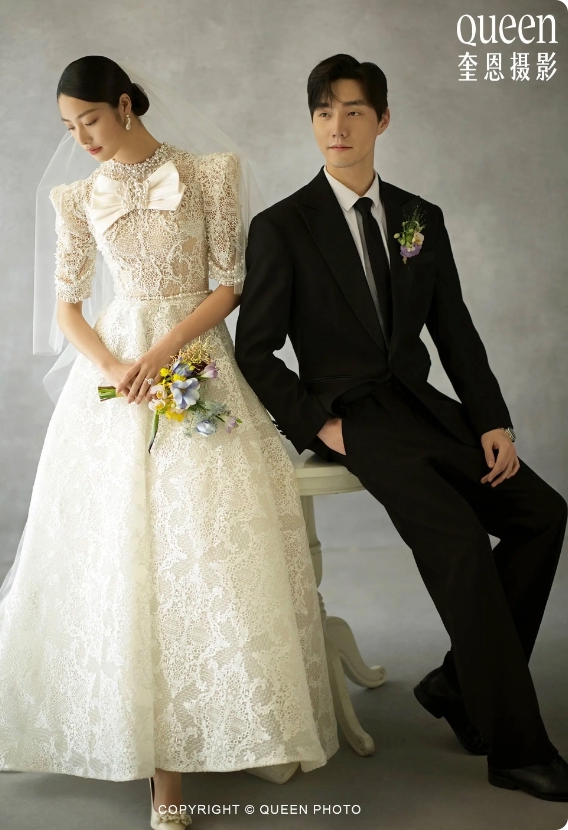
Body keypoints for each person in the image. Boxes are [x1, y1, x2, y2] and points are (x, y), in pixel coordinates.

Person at [0, 56, 339, 830]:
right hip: (116, 377)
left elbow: (229, 285)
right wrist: (113, 365)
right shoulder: (75, 197)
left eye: (90, 120)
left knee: (206, 548)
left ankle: (226, 727)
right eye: (69, 127)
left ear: (124, 105)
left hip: (195, 362)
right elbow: (67, 307)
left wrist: (163, 352)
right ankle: (145, 752)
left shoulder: (210, 172)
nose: (80, 138)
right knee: (118, 552)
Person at [235, 53, 568, 801]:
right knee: (461, 547)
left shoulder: (418, 218)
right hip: (356, 419)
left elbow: (455, 329)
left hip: (424, 406)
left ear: (382, 120)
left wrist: (492, 420)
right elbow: (254, 351)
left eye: (353, 111)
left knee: (542, 514)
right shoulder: (282, 227)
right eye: (324, 112)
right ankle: (517, 748)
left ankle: (457, 684)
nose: (337, 126)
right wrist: (322, 426)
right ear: (312, 122)